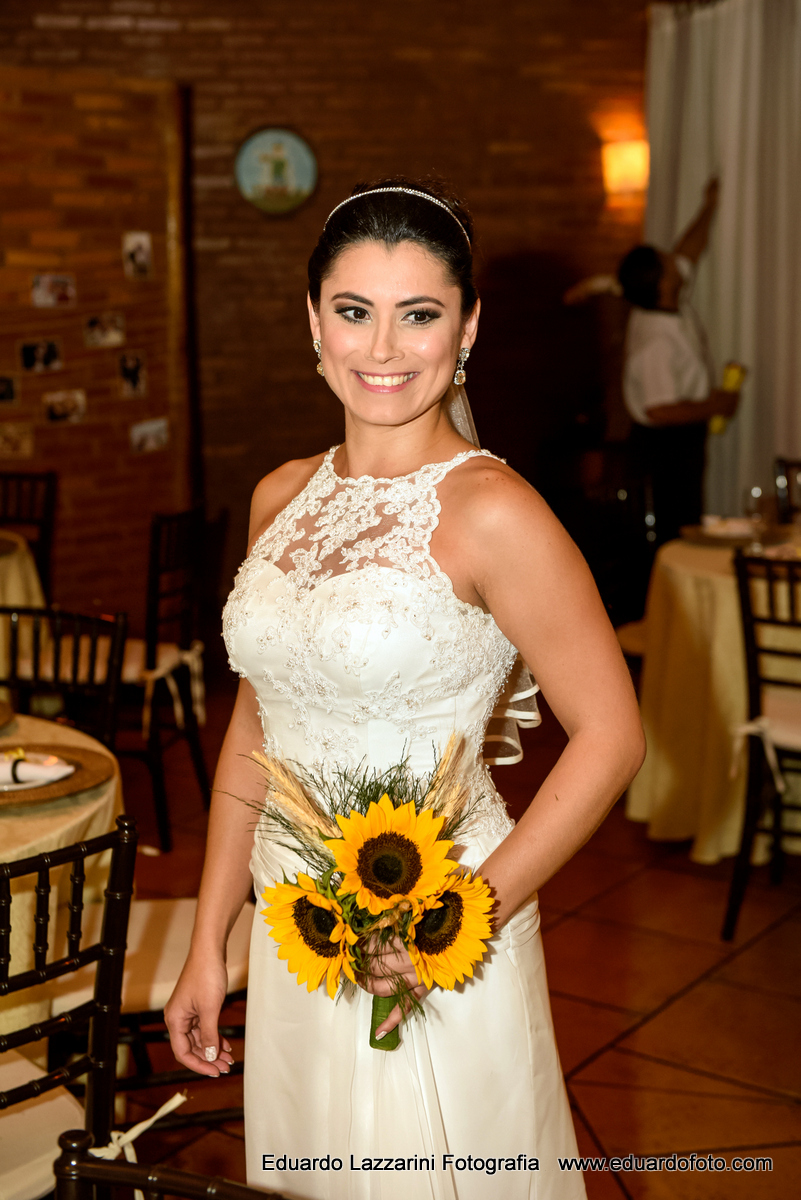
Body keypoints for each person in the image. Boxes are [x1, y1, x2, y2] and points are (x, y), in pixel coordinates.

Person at [165, 178, 645, 1200]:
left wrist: (454, 922)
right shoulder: (280, 495)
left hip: (440, 924)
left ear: (466, 326)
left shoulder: (493, 511)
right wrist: (212, 941)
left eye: (418, 314)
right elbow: (258, 721)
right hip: (297, 928)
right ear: (314, 321)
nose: (382, 349)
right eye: (354, 311)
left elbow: (612, 735)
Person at [565, 180, 744, 545]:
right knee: (674, 530)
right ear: (663, 282)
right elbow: (659, 410)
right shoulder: (654, 341)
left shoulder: (664, 300)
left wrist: (710, 205)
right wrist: (717, 403)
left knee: (687, 520)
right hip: (665, 448)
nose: (675, 259)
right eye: (667, 261)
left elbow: (689, 250)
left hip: (681, 438)